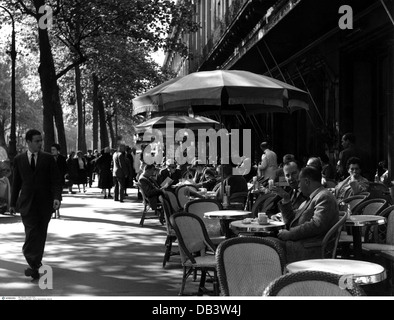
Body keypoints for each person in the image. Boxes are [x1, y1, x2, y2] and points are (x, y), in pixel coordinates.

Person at [10, 129, 62, 280]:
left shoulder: (48, 158)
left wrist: (56, 198)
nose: (40, 143)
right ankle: (33, 261)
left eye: (41, 140)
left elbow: (56, 181)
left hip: (45, 204)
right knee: (31, 233)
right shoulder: (19, 159)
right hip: (27, 204)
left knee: (40, 234)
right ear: (28, 142)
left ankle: (35, 265)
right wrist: (12, 203)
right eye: (37, 141)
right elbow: (16, 183)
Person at [274, 166, 339, 263]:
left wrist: (290, 234)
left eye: (299, 181)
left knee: (266, 245)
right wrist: (286, 199)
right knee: (264, 242)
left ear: (307, 181)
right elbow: (291, 220)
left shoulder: (324, 197)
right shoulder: (312, 198)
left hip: (310, 248)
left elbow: (316, 225)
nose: (298, 185)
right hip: (301, 243)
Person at [51, 143, 68, 218]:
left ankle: (58, 210)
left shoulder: (62, 158)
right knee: (51, 195)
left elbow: (65, 168)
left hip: (60, 180)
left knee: (58, 195)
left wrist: (65, 175)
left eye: (54, 150)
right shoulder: (49, 158)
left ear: (58, 150)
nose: (52, 151)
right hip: (50, 180)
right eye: (51, 150)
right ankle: (53, 211)